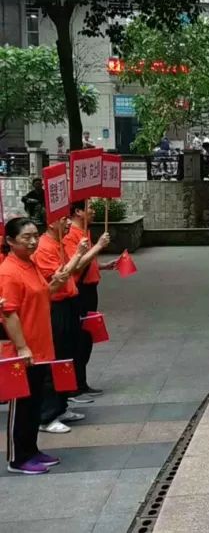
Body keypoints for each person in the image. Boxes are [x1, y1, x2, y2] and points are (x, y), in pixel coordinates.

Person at [2, 218, 68, 474]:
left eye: (34, 236)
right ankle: (18, 458)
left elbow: (42, 295)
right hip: (24, 350)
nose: (32, 241)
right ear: (9, 241)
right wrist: (22, 348)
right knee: (21, 406)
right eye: (25, 237)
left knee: (34, 403)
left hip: (40, 346)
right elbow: (9, 313)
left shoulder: (30, 265)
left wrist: (57, 282)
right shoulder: (8, 272)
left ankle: (32, 450)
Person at [33, 216, 89, 434]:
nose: (68, 224)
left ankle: (61, 406)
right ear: (50, 223)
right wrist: (79, 254)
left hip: (68, 305)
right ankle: (47, 415)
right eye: (64, 220)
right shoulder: (44, 247)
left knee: (67, 356)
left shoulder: (59, 243)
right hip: (55, 309)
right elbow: (61, 276)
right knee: (54, 359)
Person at [65, 201, 110, 399]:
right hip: (79, 291)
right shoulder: (70, 235)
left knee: (87, 337)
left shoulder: (84, 232)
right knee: (78, 338)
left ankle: (81, 382)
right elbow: (74, 267)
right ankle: (73, 386)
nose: (93, 211)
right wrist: (99, 246)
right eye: (89, 208)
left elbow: (87, 263)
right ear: (78, 211)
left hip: (90, 289)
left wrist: (104, 266)